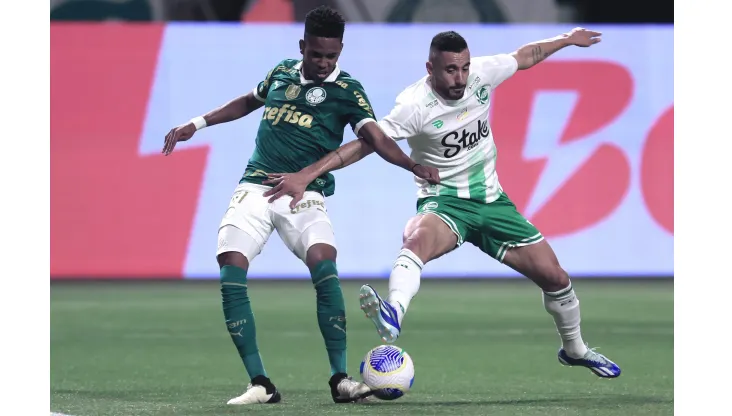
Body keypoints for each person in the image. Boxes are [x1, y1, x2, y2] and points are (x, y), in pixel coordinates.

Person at [262, 28, 622, 379]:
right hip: (445, 201)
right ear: (430, 68)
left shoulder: (481, 75)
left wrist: (565, 40)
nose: (460, 77)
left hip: (492, 201)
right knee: (416, 240)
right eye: (451, 69)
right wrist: (308, 173)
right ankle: (394, 312)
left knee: (556, 278)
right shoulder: (414, 105)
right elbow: (365, 143)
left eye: (464, 67)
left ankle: (573, 350)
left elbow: (525, 56)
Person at [161, 6, 440, 405]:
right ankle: (261, 383)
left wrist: (412, 164)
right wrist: (198, 123)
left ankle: (340, 380)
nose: (324, 63)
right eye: (317, 55)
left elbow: (375, 138)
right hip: (256, 187)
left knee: (324, 263)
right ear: (302, 46)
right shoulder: (282, 72)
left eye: (332, 56)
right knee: (230, 266)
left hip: (305, 194)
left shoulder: (348, 91)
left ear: (340, 50)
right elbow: (247, 101)